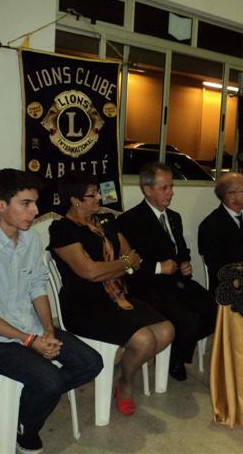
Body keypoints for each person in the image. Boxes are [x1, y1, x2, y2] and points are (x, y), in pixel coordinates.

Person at [0, 168, 103, 454]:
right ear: (1, 204)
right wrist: (29, 341)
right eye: (26, 203)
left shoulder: (30, 240)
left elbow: (37, 287)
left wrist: (47, 331)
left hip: (31, 329)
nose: (35, 211)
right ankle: (27, 426)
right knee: (50, 380)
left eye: (35, 202)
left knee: (91, 363)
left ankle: (21, 413)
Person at [48, 170, 174, 416]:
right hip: (84, 305)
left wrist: (117, 265)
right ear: (75, 200)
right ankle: (126, 383)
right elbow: (90, 273)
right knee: (145, 340)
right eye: (92, 195)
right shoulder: (63, 229)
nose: (99, 198)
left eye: (98, 192)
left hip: (117, 296)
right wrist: (122, 265)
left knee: (167, 330)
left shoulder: (106, 221)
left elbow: (133, 256)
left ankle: (119, 372)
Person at [117, 162, 216, 382]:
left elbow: (181, 250)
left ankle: (176, 349)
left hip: (177, 282)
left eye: (171, 186)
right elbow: (127, 264)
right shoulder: (130, 221)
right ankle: (175, 360)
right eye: (164, 188)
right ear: (147, 189)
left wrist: (185, 262)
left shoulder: (174, 217)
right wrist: (158, 267)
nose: (171, 192)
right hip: (149, 287)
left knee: (214, 311)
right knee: (188, 320)